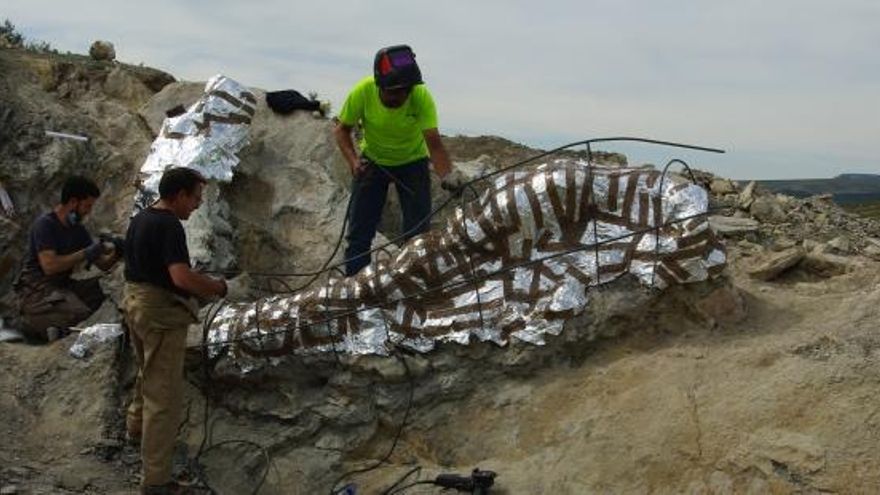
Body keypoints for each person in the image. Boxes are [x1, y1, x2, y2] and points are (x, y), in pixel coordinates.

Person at [123, 167, 228, 495]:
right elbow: (181, 278)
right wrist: (214, 286)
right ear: (179, 195)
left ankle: (135, 429)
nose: (197, 205)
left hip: (135, 302)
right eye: (195, 198)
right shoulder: (169, 226)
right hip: (160, 314)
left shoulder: (142, 218)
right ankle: (156, 480)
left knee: (146, 371)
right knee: (163, 396)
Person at [334, 44, 464, 276]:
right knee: (359, 233)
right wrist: (353, 161)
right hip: (373, 163)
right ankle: (354, 288)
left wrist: (448, 176)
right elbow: (342, 130)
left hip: (412, 163)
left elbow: (434, 143)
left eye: (405, 91)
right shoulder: (363, 92)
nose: (400, 97)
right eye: (393, 92)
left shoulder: (420, 97)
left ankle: (412, 285)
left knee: (418, 236)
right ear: (379, 85)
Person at [14, 175, 120, 342]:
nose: (88, 211)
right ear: (73, 202)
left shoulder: (78, 230)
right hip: (37, 290)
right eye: (87, 206)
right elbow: (50, 266)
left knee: (103, 288)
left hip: (62, 286)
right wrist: (85, 253)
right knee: (79, 312)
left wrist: (118, 252)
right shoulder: (45, 225)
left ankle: (54, 322)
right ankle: (34, 325)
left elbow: (104, 265)